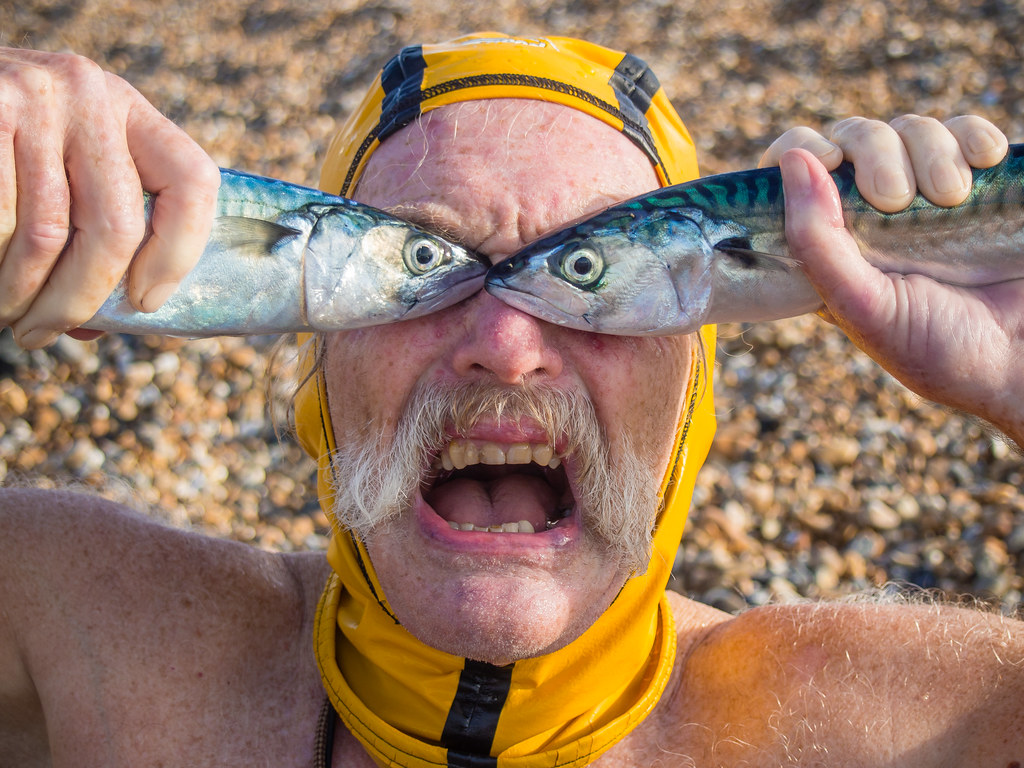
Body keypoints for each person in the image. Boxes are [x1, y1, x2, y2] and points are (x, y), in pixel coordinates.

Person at [1, 33, 1022, 767]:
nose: (505, 346)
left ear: (691, 385)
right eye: (417, 266)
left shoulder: (913, 726)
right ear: (320, 364)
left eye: (595, 285)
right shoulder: (69, 622)